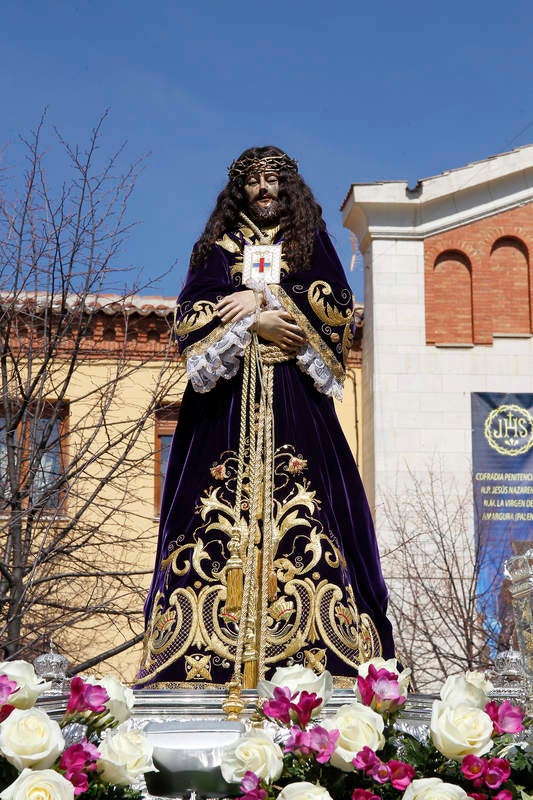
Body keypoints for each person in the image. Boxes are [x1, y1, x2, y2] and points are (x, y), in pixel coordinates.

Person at [136, 146, 394, 690]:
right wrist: (250, 321)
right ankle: (200, 659)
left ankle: (318, 658)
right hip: (223, 410)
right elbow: (190, 314)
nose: (264, 189)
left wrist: (264, 303)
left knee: (315, 515)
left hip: (294, 400)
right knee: (208, 520)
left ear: (289, 187)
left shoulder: (309, 243)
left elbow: (339, 307)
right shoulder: (216, 248)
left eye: (273, 180)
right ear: (239, 190)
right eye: (253, 181)